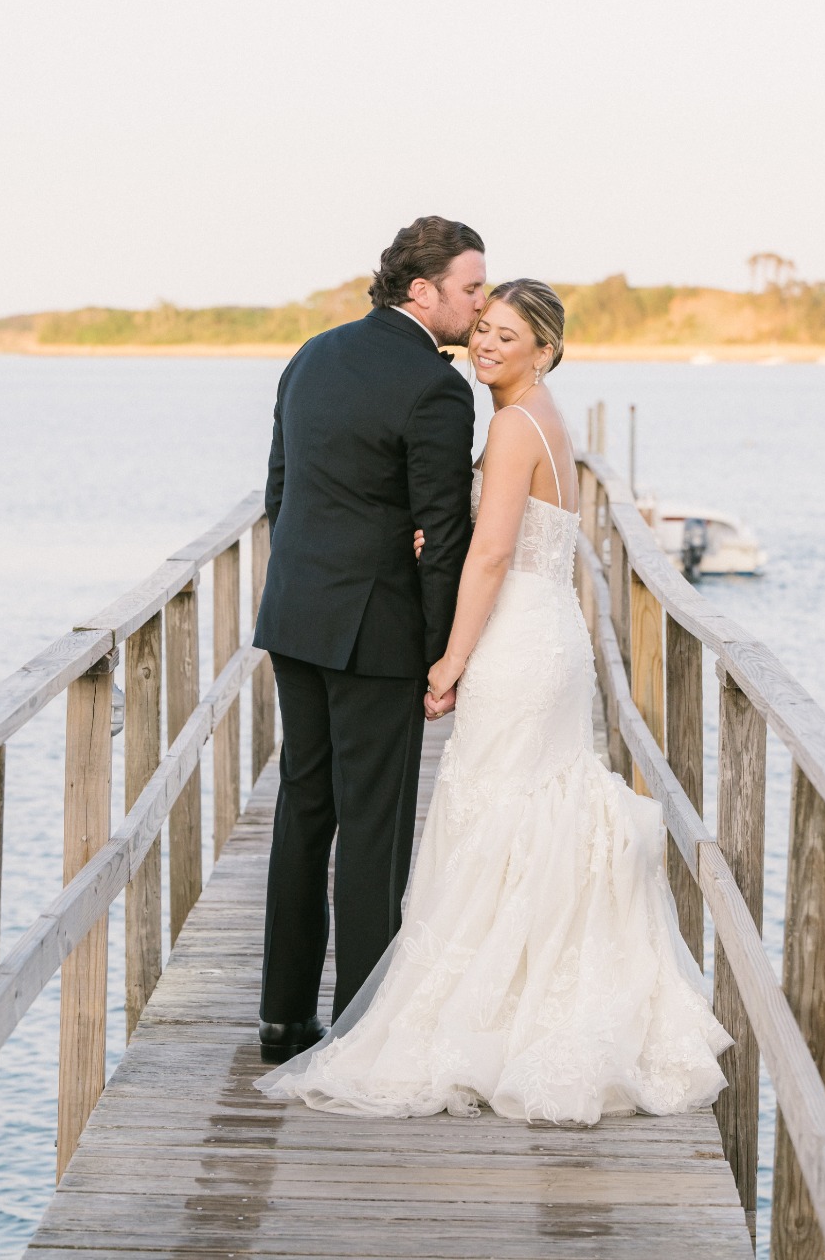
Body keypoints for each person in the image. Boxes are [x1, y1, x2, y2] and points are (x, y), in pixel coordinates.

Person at [257, 279, 731, 1123]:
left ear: (545, 349)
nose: (485, 344)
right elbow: (495, 537)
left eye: (507, 335)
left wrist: (449, 660)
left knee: (496, 810)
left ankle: (494, 1007)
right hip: (547, 631)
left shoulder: (513, 428)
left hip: (514, 639)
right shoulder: (545, 419)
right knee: (525, 810)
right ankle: (523, 990)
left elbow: (486, 559)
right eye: (481, 328)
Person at [253, 216, 488, 1062]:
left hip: (296, 616)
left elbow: (279, 491)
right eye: (470, 288)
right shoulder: (438, 388)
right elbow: (443, 532)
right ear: (422, 290)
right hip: (377, 631)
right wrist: (441, 657)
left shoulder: (313, 353)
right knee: (374, 828)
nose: (480, 303)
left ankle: (283, 1019)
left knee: (303, 812)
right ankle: (359, 1029)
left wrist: (305, 582)